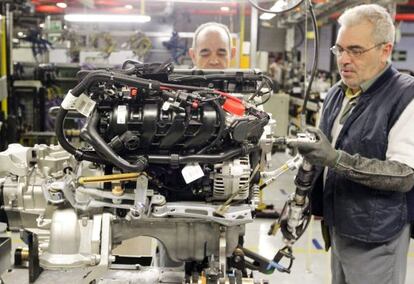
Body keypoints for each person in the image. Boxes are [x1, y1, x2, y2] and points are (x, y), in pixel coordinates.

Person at [289, 4, 414, 284]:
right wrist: (300, 202)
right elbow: (320, 155)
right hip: (339, 227)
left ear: (385, 50)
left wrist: (335, 159)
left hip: (377, 236)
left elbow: (404, 174)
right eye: (339, 50)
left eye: (356, 50)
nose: (344, 59)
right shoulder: (337, 93)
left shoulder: (406, 96)